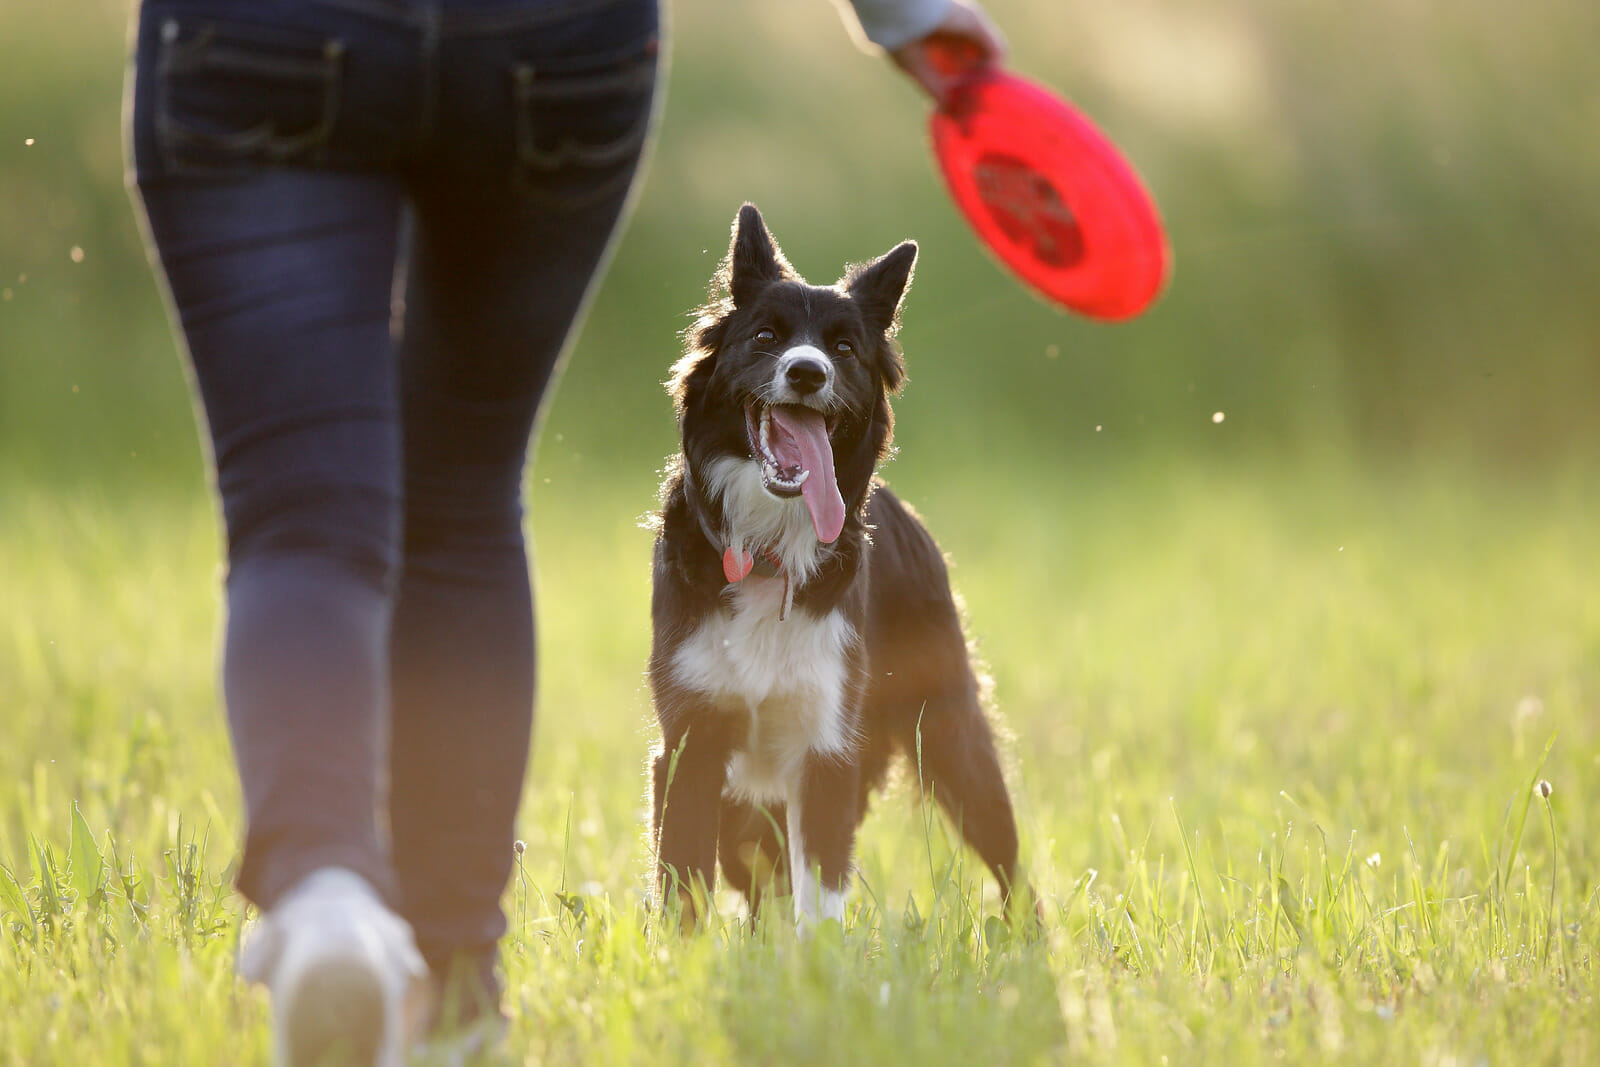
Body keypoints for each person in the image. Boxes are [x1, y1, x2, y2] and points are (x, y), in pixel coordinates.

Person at [126, 0, 1005, 1062]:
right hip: (552, 44)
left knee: (301, 519)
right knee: (459, 505)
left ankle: (321, 896)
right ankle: (454, 985)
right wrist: (906, 13)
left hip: (266, 34)